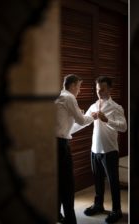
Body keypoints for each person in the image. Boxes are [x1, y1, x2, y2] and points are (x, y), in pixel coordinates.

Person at [82, 76, 127, 223]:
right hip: (95, 150)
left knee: (113, 182)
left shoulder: (116, 107)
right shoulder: (93, 106)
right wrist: (65, 131)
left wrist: (107, 120)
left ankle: (117, 210)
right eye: (97, 90)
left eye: (102, 89)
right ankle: (98, 205)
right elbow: (83, 121)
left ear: (109, 89)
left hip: (109, 150)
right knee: (97, 180)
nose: (99, 92)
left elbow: (123, 127)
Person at [55, 74, 94, 224]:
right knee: (68, 184)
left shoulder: (59, 96)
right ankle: (71, 220)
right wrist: (93, 116)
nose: (79, 89)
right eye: (79, 86)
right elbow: (82, 120)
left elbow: (71, 128)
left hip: (54, 143)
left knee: (58, 182)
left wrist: (87, 120)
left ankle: (57, 215)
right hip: (61, 145)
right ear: (72, 86)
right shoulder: (70, 98)